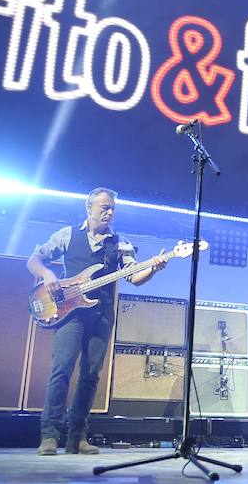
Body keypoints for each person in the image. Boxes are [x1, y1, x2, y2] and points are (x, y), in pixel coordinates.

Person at [28, 188, 167, 455]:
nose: (110, 212)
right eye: (104, 207)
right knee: (62, 370)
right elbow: (34, 260)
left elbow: (134, 278)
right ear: (89, 208)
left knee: (90, 376)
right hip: (69, 313)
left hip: (101, 314)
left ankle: (77, 437)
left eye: (113, 207)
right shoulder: (67, 235)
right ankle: (49, 436)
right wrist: (47, 275)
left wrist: (154, 267)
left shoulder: (120, 243)